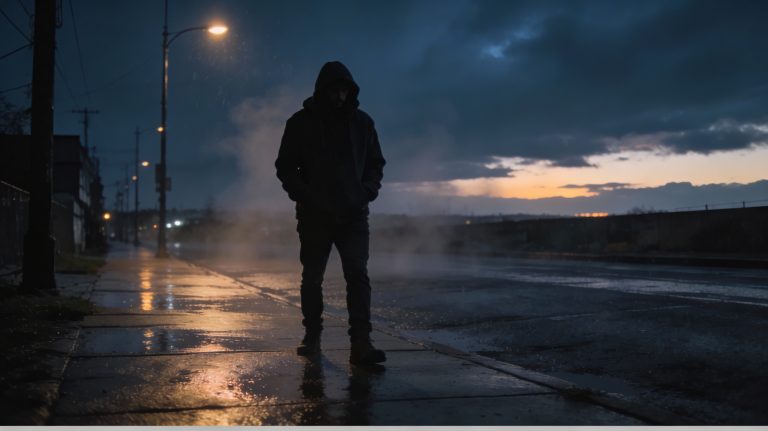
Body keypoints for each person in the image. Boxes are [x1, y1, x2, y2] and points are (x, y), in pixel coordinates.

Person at [275, 61, 387, 365]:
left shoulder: (363, 123)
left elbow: (375, 163)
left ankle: (361, 344)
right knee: (312, 278)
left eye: (344, 91)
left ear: (351, 92)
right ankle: (312, 337)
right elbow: (285, 166)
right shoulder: (300, 123)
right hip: (314, 216)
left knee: (357, 276)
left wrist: (366, 191)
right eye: (334, 91)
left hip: (353, 214)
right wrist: (305, 195)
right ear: (322, 91)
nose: (339, 96)